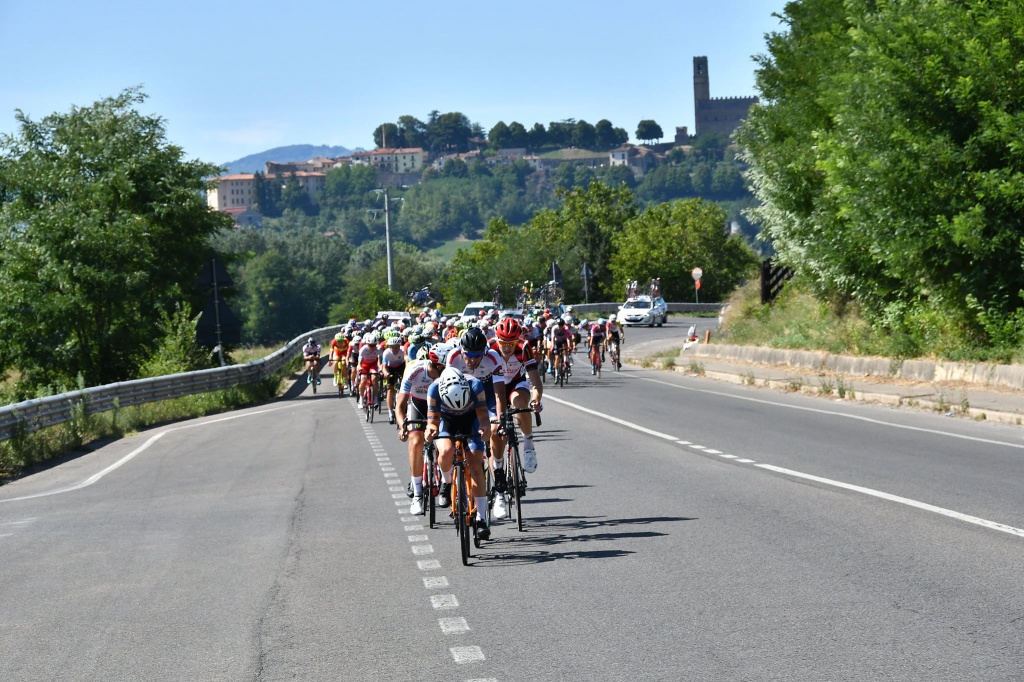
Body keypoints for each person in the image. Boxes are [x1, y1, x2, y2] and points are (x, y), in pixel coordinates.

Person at [425, 366, 493, 540]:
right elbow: (433, 422)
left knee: (476, 465)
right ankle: (446, 482)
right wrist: (430, 431)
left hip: (471, 419)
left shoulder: (475, 385)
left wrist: (486, 429)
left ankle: (481, 519)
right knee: (446, 450)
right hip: (446, 420)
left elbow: (483, 418)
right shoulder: (434, 388)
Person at [488, 318, 543, 517]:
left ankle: (528, 444)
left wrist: (536, 399)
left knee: (521, 405)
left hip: (516, 384)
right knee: (495, 431)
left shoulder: (524, 347)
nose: (508, 347)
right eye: (504, 343)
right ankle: (500, 492)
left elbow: (535, 381)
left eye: (512, 343)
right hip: (495, 389)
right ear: (497, 340)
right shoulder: (490, 348)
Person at [397, 343, 450, 515]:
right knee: (416, 440)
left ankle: (446, 481)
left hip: (439, 404)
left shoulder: (447, 372)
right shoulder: (415, 371)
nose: (443, 375)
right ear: (435, 366)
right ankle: (418, 493)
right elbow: (400, 406)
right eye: (441, 371)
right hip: (417, 404)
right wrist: (402, 427)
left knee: (447, 440)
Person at [381, 333, 406, 424]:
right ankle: (391, 412)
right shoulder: (386, 352)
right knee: (390, 389)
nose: (395, 349)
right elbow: (384, 366)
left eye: (397, 347)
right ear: (389, 347)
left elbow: (407, 363)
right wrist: (386, 373)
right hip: (390, 368)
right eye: (393, 347)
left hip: (401, 367)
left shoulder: (403, 350)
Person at [357, 332, 382, 406]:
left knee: (374, 379)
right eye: (370, 345)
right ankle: (361, 399)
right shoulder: (363, 349)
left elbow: (380, 361)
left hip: (373, 365)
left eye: (373, 345)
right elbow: (359, 363)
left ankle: (375, 398)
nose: (372, 347)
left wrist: (380, 369)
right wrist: (360, 368)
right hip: (364, 365)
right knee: (363, 381)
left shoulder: (379, 349)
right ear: (367, 344)